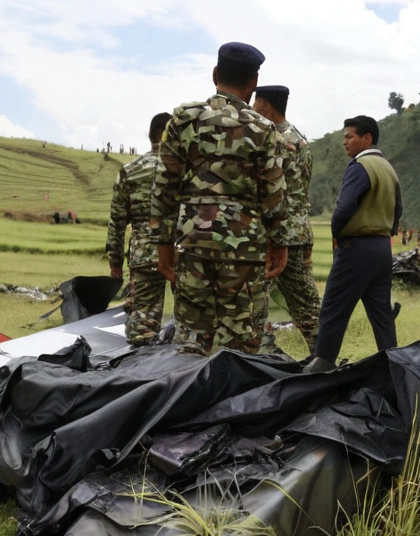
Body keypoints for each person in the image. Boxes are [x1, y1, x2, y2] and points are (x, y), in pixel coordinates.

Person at [150, 41, 289, 355]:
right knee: (239, 338)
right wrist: (279, 244)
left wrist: (162, 244)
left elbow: (164, 186)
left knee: (190, 337)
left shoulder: (183, 119)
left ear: (215, 74)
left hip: (192, 241)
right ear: (253, 83)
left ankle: (186, 396)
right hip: (244, 246)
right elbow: (273, 195)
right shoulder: (264, 129)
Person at [312, 115, 402, 366]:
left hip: (356, 247)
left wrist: (338, 237)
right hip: (382, 249)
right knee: (381, 313)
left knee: (333, 309)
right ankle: (393, 365)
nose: (345, 142)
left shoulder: (360, 166)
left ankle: (322, 364)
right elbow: (398, 210)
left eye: (349, 136)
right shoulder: (388, 168)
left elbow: (343, 209)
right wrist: (386, 233)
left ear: (367, 138)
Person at [252, 85, 319, 353]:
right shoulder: (300, 139)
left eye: (256, 103)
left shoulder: (270, 139)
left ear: (265, 105)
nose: (253, 109)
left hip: (273, 235)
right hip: (299, 233)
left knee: (252, 301)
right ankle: (325, 360)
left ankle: (261, 357)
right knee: (307, 307)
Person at [106, 113, 172, 345]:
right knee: (190, 323)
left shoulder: (130, 170)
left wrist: (115, 261)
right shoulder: (186, 170)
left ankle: (140, 370)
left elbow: (117, 221)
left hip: (144, 255)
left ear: (150, 135)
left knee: (142, 323)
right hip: (182, 254)